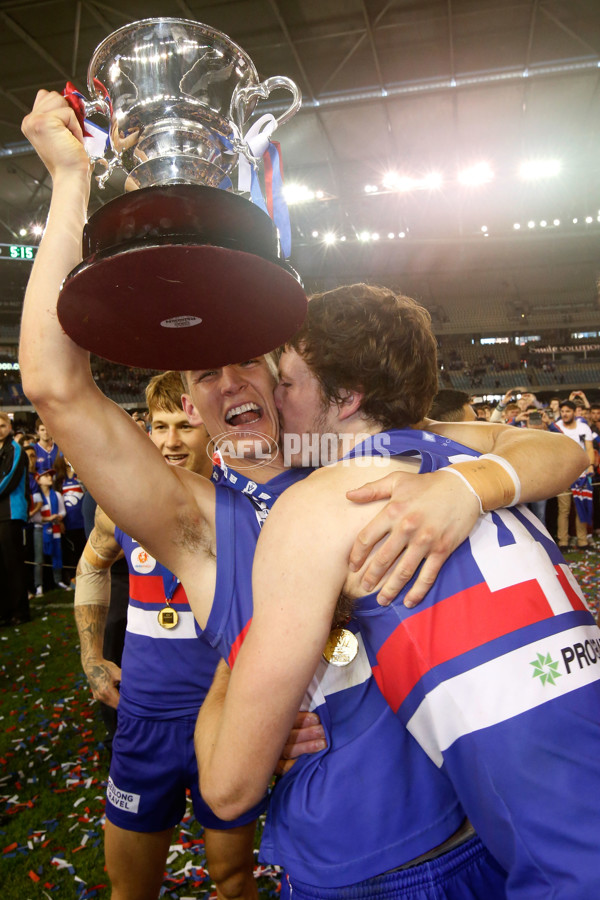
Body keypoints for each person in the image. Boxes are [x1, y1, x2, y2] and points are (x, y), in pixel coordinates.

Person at [19, 90, 590, 895]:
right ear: (189, 406)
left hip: (491, 842)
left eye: (248, 362)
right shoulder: (199, 523)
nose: (229, 384)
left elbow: (547, 448)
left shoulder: (369, 457)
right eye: (203, 375)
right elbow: (54, 386)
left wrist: (470, 488)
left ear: (287, 379)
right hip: (363, 863)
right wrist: (71, 179)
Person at [196, 285, 600, 899]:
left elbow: (228, 789)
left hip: (563, 864)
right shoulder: (465, 455)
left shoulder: (318, 505)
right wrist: (470, 487)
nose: (274, 399)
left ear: (348, 396)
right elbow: (567, 452)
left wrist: (232, 686)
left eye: (290, 382)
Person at [75, 371, 266, 900]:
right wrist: (92, 656)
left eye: (185, 425)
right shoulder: (124, 505)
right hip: (144, 721)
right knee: (130, 887)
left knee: (232, 879)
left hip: (226, 718)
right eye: (159, 427)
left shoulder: (246, 507)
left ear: (210, 426)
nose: (171, 441)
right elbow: (91, 568)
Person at [552, 399, 595, 550]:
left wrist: (590, 465)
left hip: (581, 474)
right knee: (564, 509)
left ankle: (582, 540)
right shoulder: (556, 427)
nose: (564, 414)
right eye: (562, 411)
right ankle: (563, 540)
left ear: (574, 412)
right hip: (562, 474)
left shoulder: (584, 427)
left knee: (581, 506)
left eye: (567, 411)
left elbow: (589, 448)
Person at [0, 412, 30, 625]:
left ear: (9, 426)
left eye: (2, 425)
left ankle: (20, 612)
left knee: (13, 564)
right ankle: (4, 611)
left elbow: (9, 478)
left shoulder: (16, 449)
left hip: (11, 513)